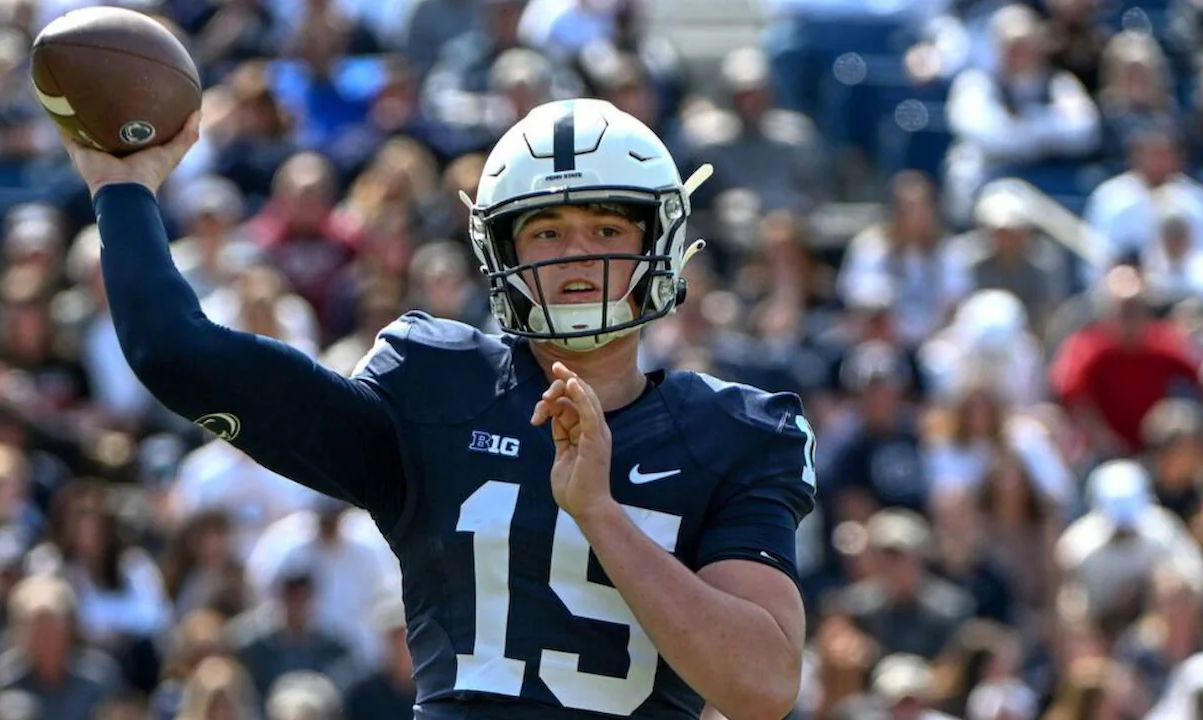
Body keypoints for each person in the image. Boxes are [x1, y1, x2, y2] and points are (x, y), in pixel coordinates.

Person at [57, 97, 817, 719]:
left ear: (662, 242)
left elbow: (762, 687)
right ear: (502, 255)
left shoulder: (735, 433)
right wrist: (121, 188)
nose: (578, 255)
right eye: (547, 231)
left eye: (608, 229)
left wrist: (601, 515)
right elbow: (175, 353)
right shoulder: (437, 389)